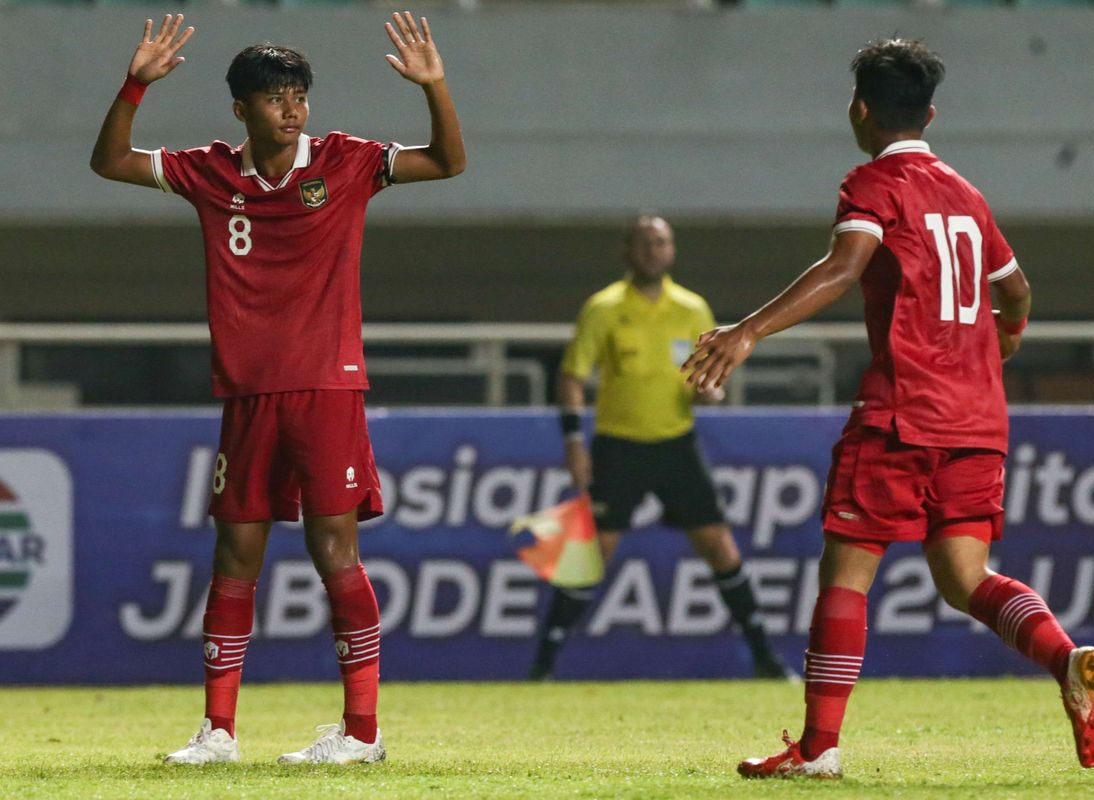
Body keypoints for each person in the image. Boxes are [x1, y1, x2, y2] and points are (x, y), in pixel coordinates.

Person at [683, 38, 1094, 778]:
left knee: (846, 575)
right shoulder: (968, 195)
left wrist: (747, 329)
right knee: (965, 578)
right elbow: (1017, 290)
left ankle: (818, 749)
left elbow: (844, 267)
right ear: (931, 113)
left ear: (860, 110)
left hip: (901, 412)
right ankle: (1067, 658)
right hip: (978, 419)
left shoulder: (872, 185)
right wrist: (1004, 340)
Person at [90, 12, 465, 764]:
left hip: (327, 387)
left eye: (298, 94)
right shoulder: (209, 170)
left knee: (335, 551)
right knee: (235, 555)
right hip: (247, 393)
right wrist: (135, 84)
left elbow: (449, 162)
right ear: (242, 109)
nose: (291, 107)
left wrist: (435, 89)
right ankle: (219, 732)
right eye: (274, 97)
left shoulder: (348, 160)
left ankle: (362, 734)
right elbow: (111, 163)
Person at [529, 214, 795, 681]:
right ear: (627, 252)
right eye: (645, 242)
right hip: (618, 448)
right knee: (591, 554)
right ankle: (543, 668)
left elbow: (710, 379)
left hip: (676, 445)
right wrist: (574, 441)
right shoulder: (604, 307)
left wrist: (710, 390)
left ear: (672, 251)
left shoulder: (692, 309)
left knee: (720, 546)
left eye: (662, 242)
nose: (654, 250)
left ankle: (766, 659)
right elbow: (572, 377)